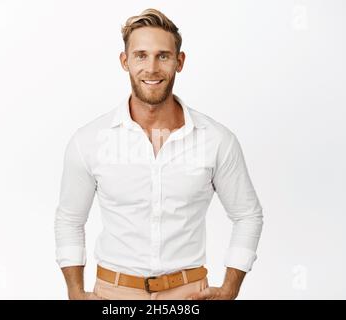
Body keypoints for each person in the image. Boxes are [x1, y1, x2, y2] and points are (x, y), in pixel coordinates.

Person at [54, 8, 263, 300]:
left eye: (163, 56)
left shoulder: (217, 140)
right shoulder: (89, 140)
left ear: (179, 62)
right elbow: (70, 220)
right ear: (125, 61)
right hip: (114, 294)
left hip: (189, 295)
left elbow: (247, 215)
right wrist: (75, 292)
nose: (151, 68)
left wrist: (230, 289)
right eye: (141, 55)